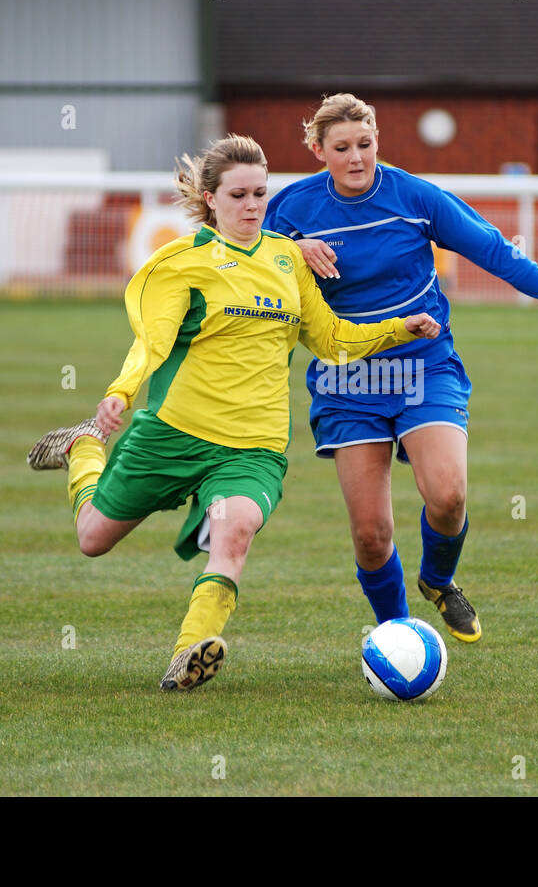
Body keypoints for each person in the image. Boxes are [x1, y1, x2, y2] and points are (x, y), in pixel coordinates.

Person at [27, 135, 440, 692]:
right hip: (173, 433)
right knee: (93, 537)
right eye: (239, 195)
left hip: (254, 446)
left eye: (260, 194)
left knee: (235, 529)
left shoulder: (288, 260)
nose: (251, 206)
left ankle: (188, 654)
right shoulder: (180, 264)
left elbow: (331, 339)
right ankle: (84, 449)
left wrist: (398, 327)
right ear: (210, 198)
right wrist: (121, 393)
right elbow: (150, 341)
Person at [265, 93, 538, 641]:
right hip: (347, 378)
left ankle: (438, 579)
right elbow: (246, 257)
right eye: (342, 148)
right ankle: (397, 637)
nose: (357, 157)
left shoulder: (415, 197)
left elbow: (496, 252)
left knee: (448, 496)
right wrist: (292, 250)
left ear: (378, 139)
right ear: (317, 150)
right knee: (370, 536)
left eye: (366, 144)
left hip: (422, 366)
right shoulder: (290, 209)